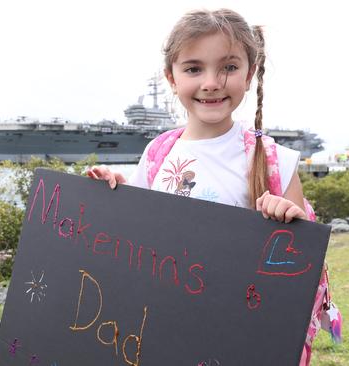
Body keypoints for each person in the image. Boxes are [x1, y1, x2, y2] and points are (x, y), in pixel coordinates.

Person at [87, 8, 332, 365]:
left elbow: (304, 265)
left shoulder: (273, 159)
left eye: (229, 67)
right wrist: (115, 193)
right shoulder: (157, 153)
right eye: (193, 68)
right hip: (167, 326)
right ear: (171, 77)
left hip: (240, 331)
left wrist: (290, 219)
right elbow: (136, 236)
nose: (212, 82)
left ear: (250, 75)